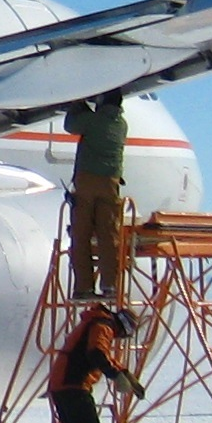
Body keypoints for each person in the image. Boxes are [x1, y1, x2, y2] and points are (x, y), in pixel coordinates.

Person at [51, 305, 139, 423]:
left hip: (61, 385)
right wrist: (115, 375)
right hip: (74, 385)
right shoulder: (103, 325)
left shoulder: (95, 322)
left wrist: (124, 373)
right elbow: (97, 353)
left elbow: (102, 354)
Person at [66, 96, 128, 302]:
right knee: (108, 237)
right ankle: (110, 285)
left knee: (81, 235)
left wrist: (77, 103)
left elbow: (71, 125)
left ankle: (84, 287)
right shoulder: (121, 125)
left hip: (87, 182)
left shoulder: (93, 120)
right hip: (111, 184)